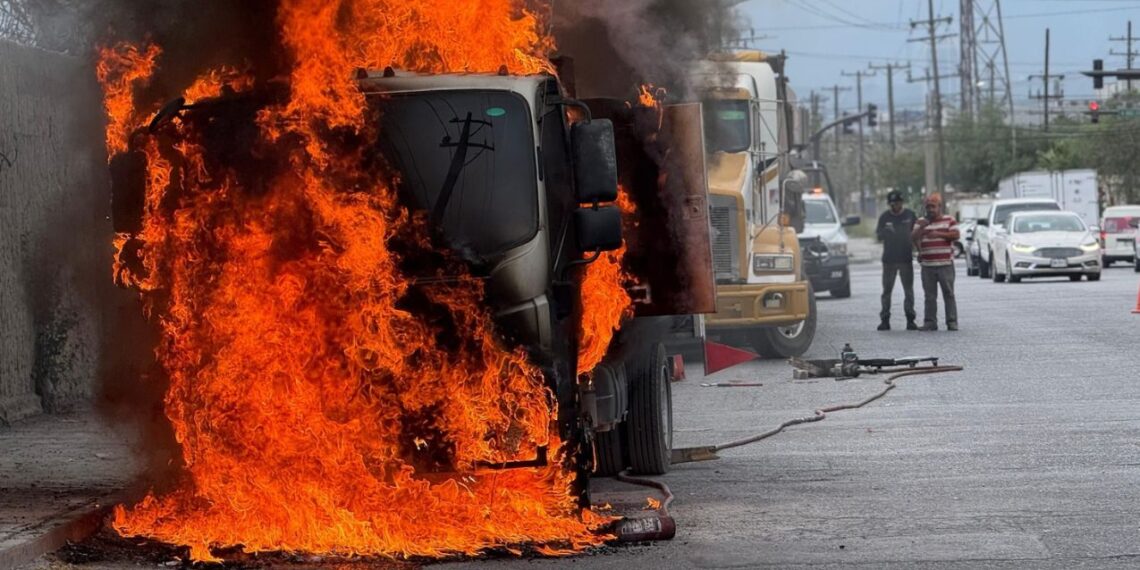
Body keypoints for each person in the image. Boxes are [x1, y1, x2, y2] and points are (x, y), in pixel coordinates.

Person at [912, 193, 960, 331]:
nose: (930, 210)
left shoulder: (949, 220)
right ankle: (930, 322)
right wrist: (922, 227)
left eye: (933, 206)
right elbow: (912, 237)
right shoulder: (921, 221)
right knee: (929, 296)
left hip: (945, 264)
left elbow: (956, 235)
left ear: (939, 207)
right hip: (928, 266)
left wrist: (939, 234)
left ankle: (952, 322)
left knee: (949, 294)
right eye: (928, 207)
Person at [875, 191, 918, 331]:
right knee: (887, 291)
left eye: (898, 203)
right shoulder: (885, 217)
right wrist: (885, 233)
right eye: (893, 204)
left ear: (902, 203)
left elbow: (917, 233)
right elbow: (878, 236)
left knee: (908, 291)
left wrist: (919, 250)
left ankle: (910, 319)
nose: (895, 206)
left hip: (905, 259)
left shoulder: (910, 215)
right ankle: (885, 319)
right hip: (889, 260)